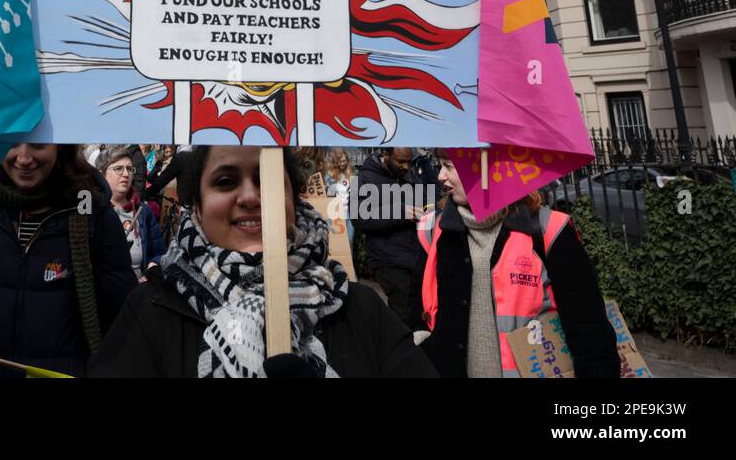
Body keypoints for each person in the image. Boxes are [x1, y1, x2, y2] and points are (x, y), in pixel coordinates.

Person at [89, 146, 436, 378]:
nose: (252, 196)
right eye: (225, 181)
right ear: (196, 205)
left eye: (266, 179)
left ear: (294, 198)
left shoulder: (358, 309)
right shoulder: (151, 311)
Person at [415, 152, 619, 378]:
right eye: (440, 166)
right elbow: (423, 311)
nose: (441, 176)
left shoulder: (548, 230)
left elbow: (591, 335)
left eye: (449, 167)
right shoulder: (434, 231)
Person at [0, 144, 137, 377]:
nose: (24, 158)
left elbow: (120, 323)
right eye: (12, 142)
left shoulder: (96, 218)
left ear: (61, 146)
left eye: (38, 145)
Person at [351, 147, 428, 330]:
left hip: (414, 258)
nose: (405, 166)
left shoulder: (408, 174)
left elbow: (421, 201)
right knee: (405, 318)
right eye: (400, 161)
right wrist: (400, 212)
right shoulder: (365, 178)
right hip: (388, 262)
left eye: (409, 161)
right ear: (385, 155)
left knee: (418, 315)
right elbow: (359, 217)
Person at [98, 146, 165, 279]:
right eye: (118, 169)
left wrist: (152, 269)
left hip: (137, 293)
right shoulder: (92, 211)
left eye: (130, 169)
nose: (126, 174)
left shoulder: (143, 212)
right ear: (102, 174)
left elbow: (160, 253)